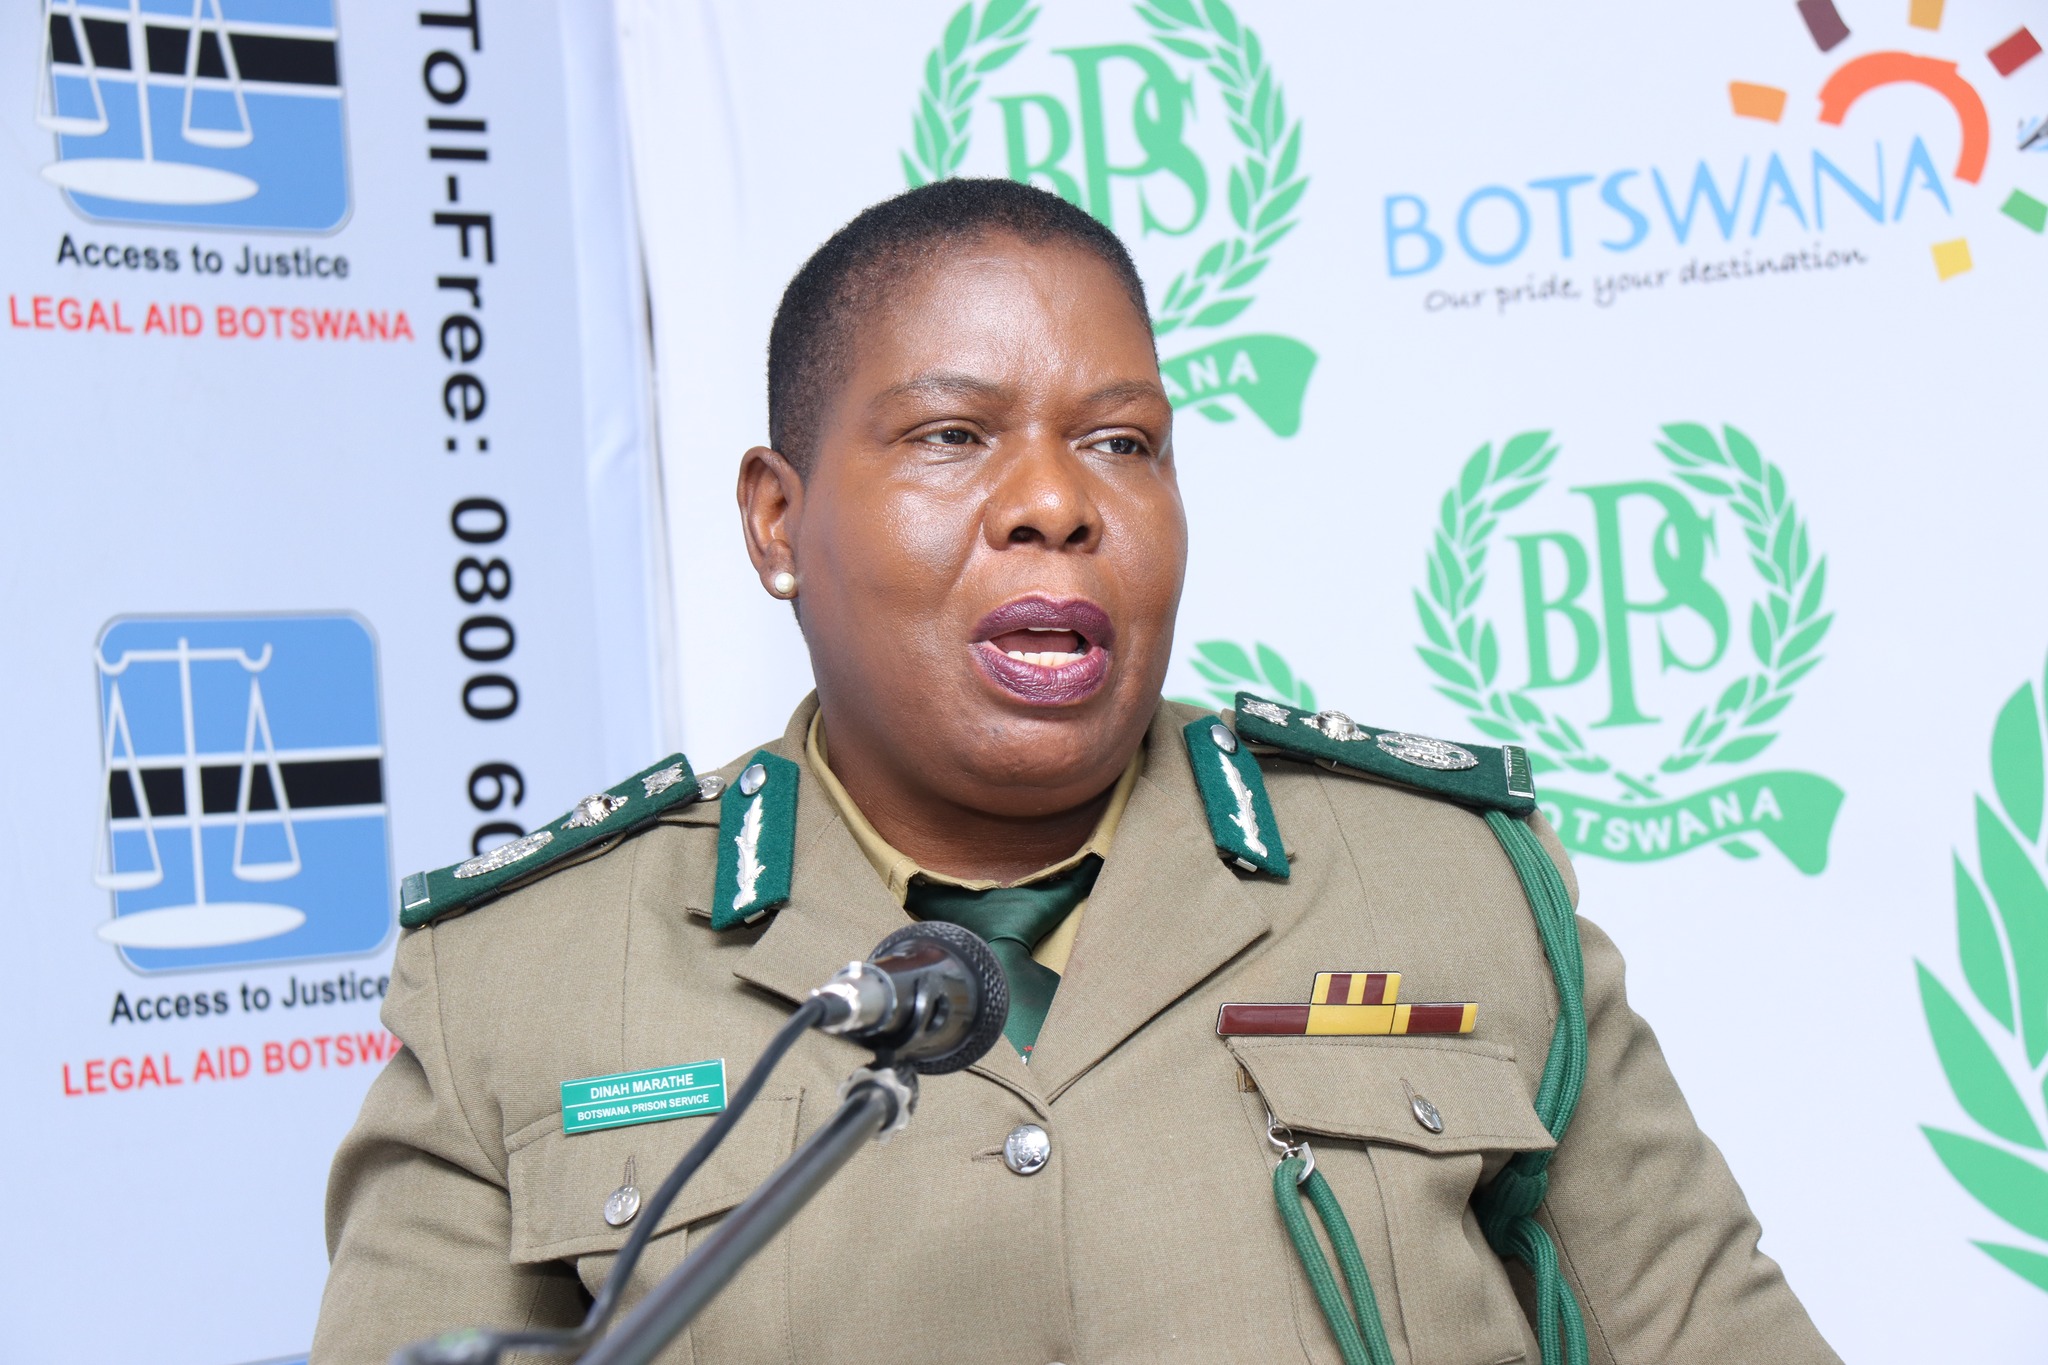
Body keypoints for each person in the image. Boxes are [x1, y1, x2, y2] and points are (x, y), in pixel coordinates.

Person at [312, 179, 1837, 1365]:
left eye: (1121, 442)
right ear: (777, 520)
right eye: (952, 435)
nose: (1055, 501)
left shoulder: (1453, 885)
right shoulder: (521, 976)